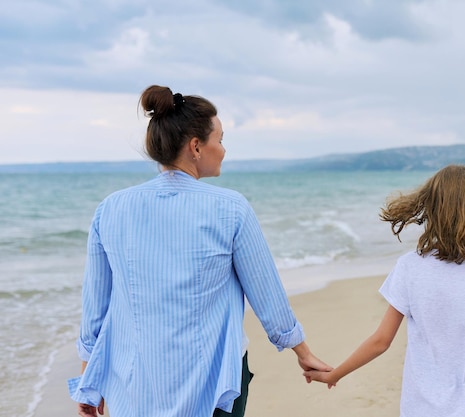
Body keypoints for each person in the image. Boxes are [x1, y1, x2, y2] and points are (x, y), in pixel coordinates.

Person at [67, 85, 330, 417]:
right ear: (195, 146)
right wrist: (303, 353)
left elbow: (95, 307)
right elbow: (267, 294)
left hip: (133, 384)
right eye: (219, 140)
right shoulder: (231, 208)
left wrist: (88, 381)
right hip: (212, 382)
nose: (223, 149)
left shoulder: (111, 209)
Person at [304, 165, 465, 417]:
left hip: (422, 409)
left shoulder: (410, 268)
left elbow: (381, 341)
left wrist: (336, 373)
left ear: (433, 208)